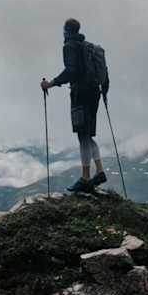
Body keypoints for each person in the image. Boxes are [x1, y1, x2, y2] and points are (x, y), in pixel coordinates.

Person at [40, 18, 108, 192]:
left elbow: (71, 71)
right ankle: (99, 172)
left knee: (82, 135)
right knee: (88, 134)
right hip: (94, 93)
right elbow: (103, 73)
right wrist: (104, 94)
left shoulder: (70, 46)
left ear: (66, 31)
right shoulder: (89, 47)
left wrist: (51, 83)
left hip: (80, 94)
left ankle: (85, 177)